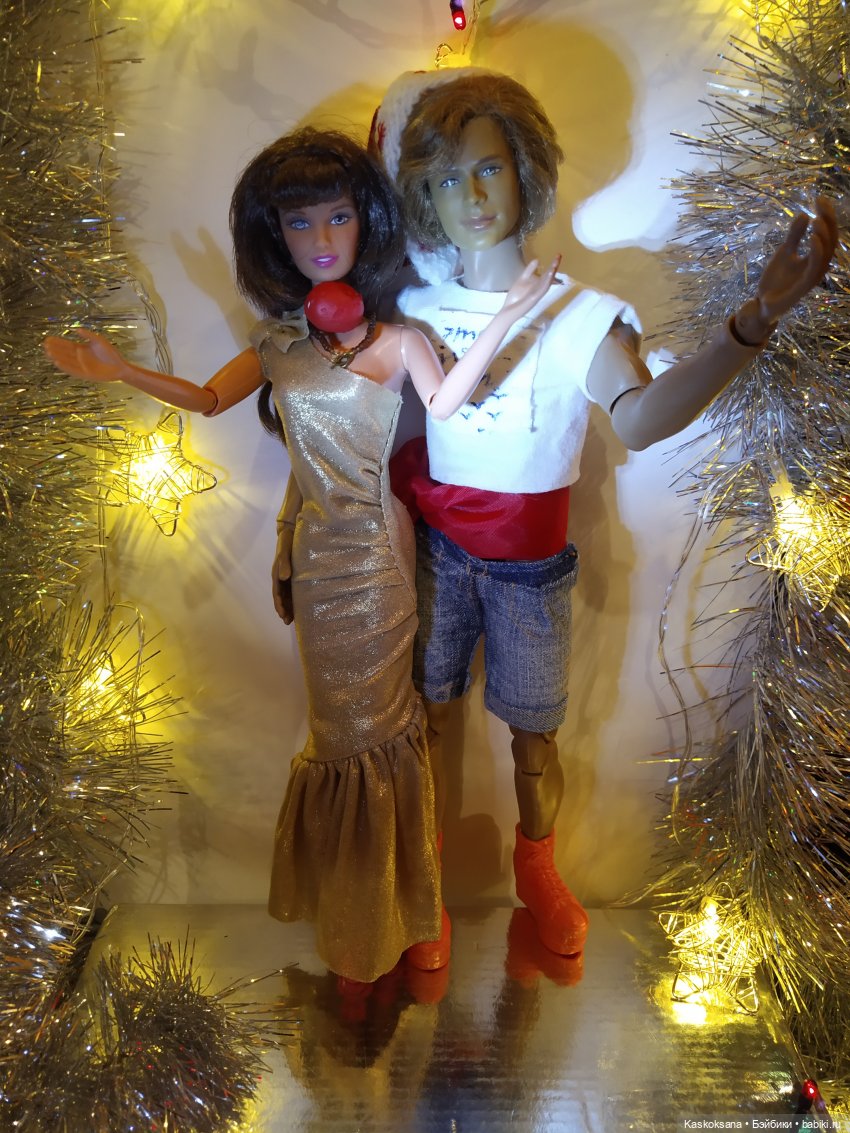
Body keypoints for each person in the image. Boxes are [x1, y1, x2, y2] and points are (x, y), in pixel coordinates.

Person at [43, 127, 558, 986]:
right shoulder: (277, 345)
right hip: (318, 561)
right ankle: (356, 914)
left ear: (367, 224)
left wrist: (510, 313)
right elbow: (207, 398)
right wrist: (123, 371)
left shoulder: (397, 341)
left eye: (338, 217)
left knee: (389, 728)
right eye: (299, 223)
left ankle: (411, 907)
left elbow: (448, 402)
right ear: (274, 236)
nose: (321, 239)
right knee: (337, 731)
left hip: (381, 556)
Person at [367, 68, 838, 963]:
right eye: (446, 178)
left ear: (525, 170)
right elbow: (350, 426)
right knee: (422, 723)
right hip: (433, 551)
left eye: (489, 168)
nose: (472, 195)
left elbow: (642, 418)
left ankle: (538, 866)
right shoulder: (414, 309)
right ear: (423, 196)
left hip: (529, 566)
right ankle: (422, 882)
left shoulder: (580, 315)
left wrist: (753, 321)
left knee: (534, 733)